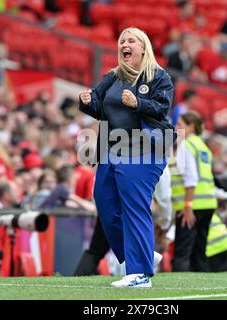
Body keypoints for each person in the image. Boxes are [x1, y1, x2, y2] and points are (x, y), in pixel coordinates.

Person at [78, 27, 174, 287]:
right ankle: (144, 254)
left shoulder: (158, 76)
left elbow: (162, 109)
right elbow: (99, 106)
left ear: (144, 47)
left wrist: (138, 103)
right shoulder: (112, 76)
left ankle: (140, 273)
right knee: (104, 201)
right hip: (113, 147)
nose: (125, 44)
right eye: (122, 40)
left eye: (131, 40)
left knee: (134, 206)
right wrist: (87, 100)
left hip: (145, 146)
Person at [170, 111, 217, 272]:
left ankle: (178, 285)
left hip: (191, 205)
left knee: (182, 251)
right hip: (208, 203)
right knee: (200, 250)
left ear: (191, 127)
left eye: (180, 124)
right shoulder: (203, 147)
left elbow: (191, 178)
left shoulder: (186, 145)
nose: (176, 127)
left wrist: (187, 205)